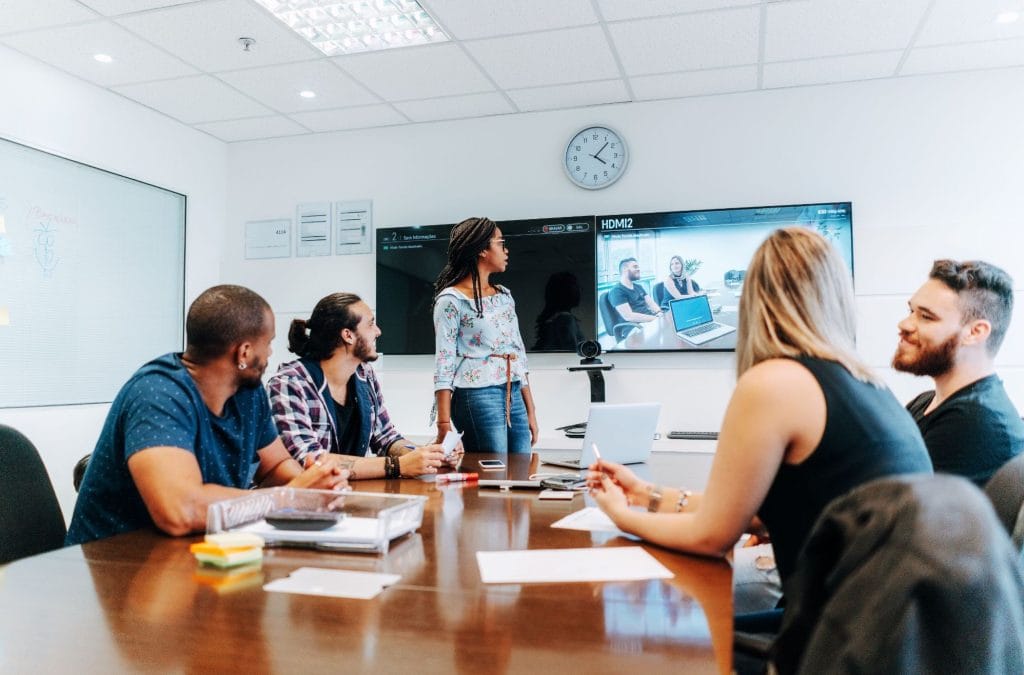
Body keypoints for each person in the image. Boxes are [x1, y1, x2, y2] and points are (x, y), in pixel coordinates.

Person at [587, 228, 932, 595]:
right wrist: (646, 495)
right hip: (888, 622)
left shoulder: (775, 383)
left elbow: (711, 536)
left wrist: (621, 516)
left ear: (756, 298)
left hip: (835, 636)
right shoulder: (863, 380)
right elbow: (751, 514)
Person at [66, 285, 348, 546]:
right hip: (113, 567)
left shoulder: (248, 393)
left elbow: (275, 467)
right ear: (245, 352)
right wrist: (291, 497)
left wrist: (314, 486)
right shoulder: (157, 394)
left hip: (190, 557)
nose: (271, 352)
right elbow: (180, 511)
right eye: (269, 343)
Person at [267, 292, 453, 478]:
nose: (378, 331)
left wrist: (427, 456)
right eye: (371, 324)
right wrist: (396, 466)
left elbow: (386, 437)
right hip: (308, 501)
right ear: (348, 335)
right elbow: (309, 460)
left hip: (349, 496)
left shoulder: (364, 374)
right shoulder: (290, 383)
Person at [892, 259, 1024, 486]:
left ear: (975, 332)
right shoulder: (926, 402)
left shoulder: (974, 424)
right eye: (911, 311)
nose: (904, 324)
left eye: (926, 316)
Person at [432, 217, 538, 452]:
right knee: (491, 472)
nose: (506, 250)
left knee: (522, 470)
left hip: (513, 391)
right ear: (482, 250)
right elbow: (444, 361)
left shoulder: (504, 296)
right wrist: (443, 423)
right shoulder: (451, 300)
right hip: (477, 394)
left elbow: (518, 354)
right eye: (500, 243)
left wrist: (531, 410)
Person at [533, 271, 585, 351]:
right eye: (576, 287)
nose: (579, 290)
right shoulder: (565, 320)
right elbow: (572, 353)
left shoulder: (553, 319)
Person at [608, 257, 662, 322]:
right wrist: (655, 319)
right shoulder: (616, 291)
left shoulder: (639, 287)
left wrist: (659, 313)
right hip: (634, 327)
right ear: (625, 269)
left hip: (649, 321)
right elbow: (629, 316)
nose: (638, 269)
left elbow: (651, 304)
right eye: (635, 267)